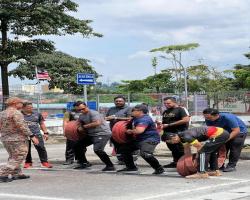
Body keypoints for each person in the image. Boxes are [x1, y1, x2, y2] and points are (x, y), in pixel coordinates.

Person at [0, 97, 39, 183]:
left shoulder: (2, 113)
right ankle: (2, 174)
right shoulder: (16, 113)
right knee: (19, 155)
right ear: (15, 103)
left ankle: (17, 173)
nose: (22, 105)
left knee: (13, 156)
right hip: (17, 138)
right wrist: (32, 136)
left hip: (6, 138)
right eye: (20, 103)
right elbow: (22, 126)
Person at [118, 104, 164, 174]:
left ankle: (159, 168)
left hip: (150, 139)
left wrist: (130, 131)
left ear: (140, 111)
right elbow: (128, 120)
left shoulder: (144, 119)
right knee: (124, 149)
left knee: (145, 154)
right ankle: (131, 167)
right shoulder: (136, 118)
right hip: (140, 139)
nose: (132, 112)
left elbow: (139, 130)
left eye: (133, 110)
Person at [74, 102, 115, 171]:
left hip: (102, 133)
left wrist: (83, 127)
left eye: (82, 109)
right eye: (78, 110)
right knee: (78, 145)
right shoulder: (81, 116)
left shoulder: (93, 113)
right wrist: (79, 127)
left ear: (87, 106)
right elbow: (78, 124)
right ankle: (84, 163)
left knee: (98, 150)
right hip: (92, 134)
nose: (81, 111)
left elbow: (97, 123)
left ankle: (110, 166)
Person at [160, 97, 190, 168]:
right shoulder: (165, 111)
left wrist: (170, 124)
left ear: (174, 102)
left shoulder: (180, 110)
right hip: (167, 133)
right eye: (165, 103)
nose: (166, 105)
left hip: (178, 133)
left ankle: (184, 164)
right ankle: (175, 162)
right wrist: (161, 125)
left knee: (179, 149)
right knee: (173, 149)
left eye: (168, 103)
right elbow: (165, 123)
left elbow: (186, 120)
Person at [22, 102, 53, 168]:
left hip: (36, 134)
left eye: (31, 107)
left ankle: (44, 162)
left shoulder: (37, 114)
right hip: (24, 135)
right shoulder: (19, 115)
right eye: (29, 108)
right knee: (26, 149)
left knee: (41, 147)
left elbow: (41, 124)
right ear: (23, 108)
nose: (31, 109)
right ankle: (28, 162)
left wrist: (45, 132)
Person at [105, 95, 132, 162]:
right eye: (116, 101)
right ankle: (120, 159)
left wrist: (116, 118)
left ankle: (127, 160)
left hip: (124, 132)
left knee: (124, 146)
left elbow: (130, 118)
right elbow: (107, 118)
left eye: (120, 101)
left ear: (124, 101)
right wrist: (107, 118)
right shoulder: (111, 109)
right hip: (113, 131)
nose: (118, 102)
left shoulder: (129, 108)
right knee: (116, 146)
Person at [63, 101, 87, 165]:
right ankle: (69, 160)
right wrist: (65, 131)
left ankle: (80, 159)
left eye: (81, 107)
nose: (80, 108)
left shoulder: (85, 112)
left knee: (82, 147)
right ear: (75, 107)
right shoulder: (68, 113)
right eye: (78, 107)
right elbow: (65, 122)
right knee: (70, 146)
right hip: (71, 132)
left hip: (82, 132)